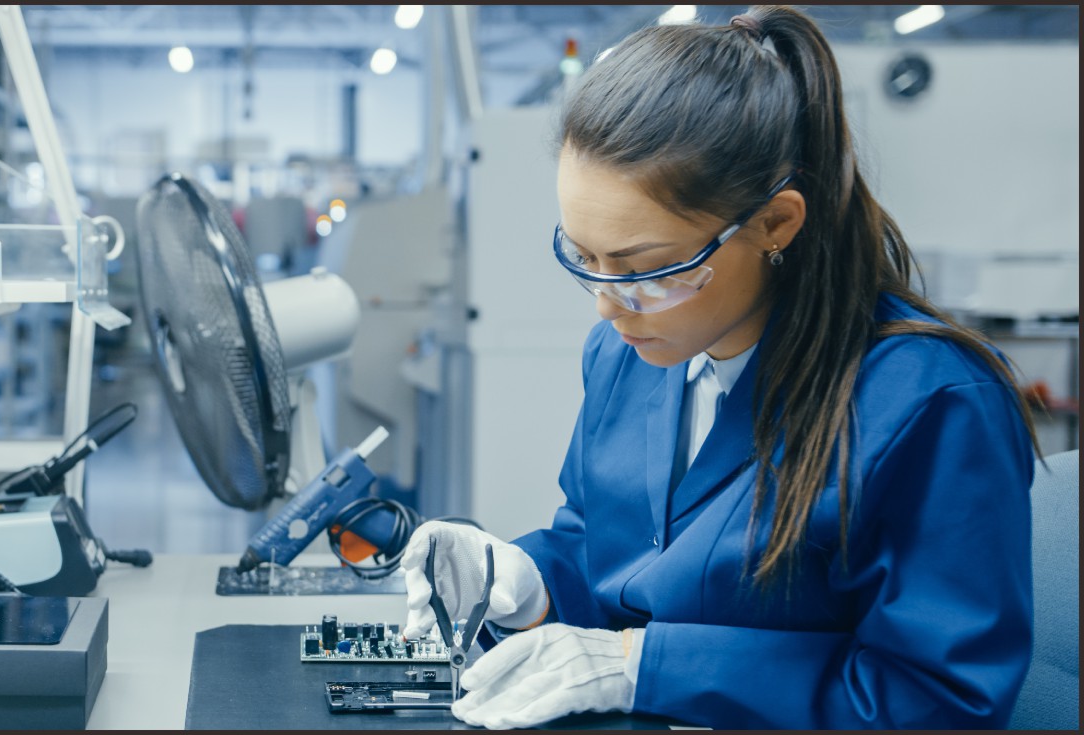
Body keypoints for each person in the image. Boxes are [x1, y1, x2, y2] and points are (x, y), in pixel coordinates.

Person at [400, 5, 1041, 730]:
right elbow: (610, 567)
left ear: (776, 224)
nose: (611, 308)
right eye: (584, 260)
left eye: (648, 269)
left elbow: (938, 702)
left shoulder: (930, 403)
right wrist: (525, 580)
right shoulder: (627, 356)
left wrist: (647, 667)